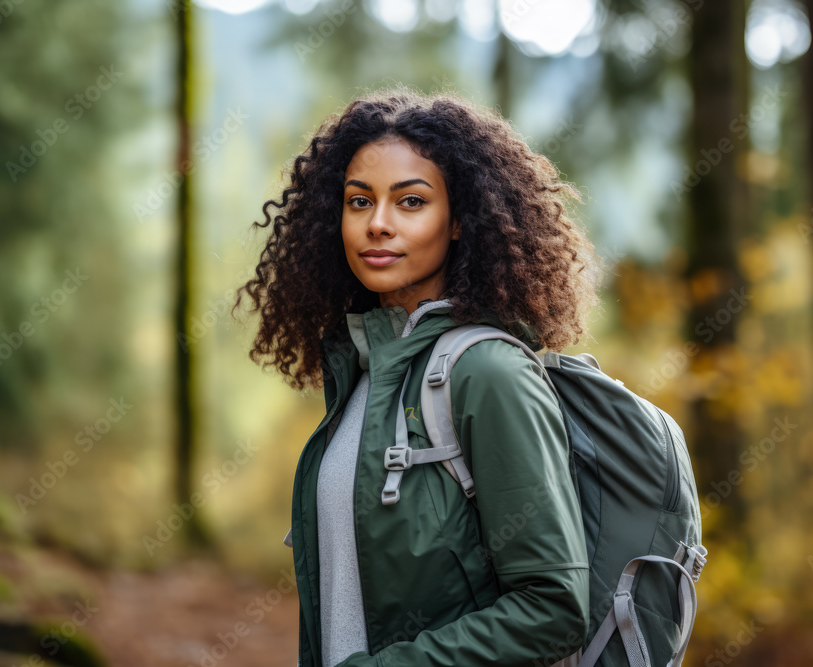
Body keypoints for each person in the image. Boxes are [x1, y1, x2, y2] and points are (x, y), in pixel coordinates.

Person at [234, 84, 603, 667]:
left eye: (410, 202)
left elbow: (553, 611)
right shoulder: (363, 371)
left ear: (459, 221)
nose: (377, 224)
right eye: (359, 201)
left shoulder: (488, 373)